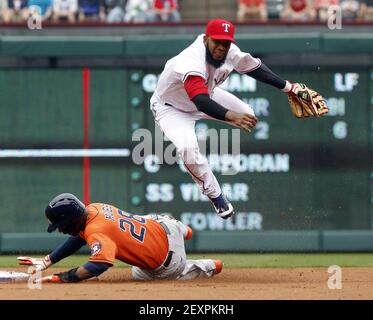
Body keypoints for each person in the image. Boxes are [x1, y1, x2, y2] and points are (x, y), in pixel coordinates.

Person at [150, 18, 324, 220]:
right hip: (171, 108)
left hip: (207, 94)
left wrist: (289, 87)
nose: (222, 47)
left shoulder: (229, 52)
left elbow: (254, 68)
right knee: (188, 149)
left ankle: (237, 115)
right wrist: (231, 116)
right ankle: (215, 195)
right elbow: (200, 101)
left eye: (226, 43)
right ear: (206, 39)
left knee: (249, 115)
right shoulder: (191, 60)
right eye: (217, 42)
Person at [18, 193, 222, 283]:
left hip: (168, 261)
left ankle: (208, 266)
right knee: (149, 222)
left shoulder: (96, 231)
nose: (61, 230)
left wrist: (65, 277)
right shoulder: (93, 208)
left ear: (71, 218)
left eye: (60, 225)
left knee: (140, 274)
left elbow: (98, 266)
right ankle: (184, 231)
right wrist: (48, 261)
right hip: (162, 225)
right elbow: (81, 237)